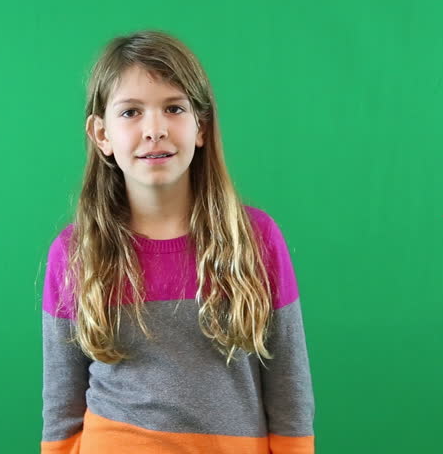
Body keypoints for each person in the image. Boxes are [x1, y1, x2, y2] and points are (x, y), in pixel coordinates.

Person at [40, 29, 314, 454]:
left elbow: (289, 390)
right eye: (131, 112)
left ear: (200, 126)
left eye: (174, 108)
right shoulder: (75, 251)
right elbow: (62, 405)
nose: (154, 129)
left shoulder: (256, 240)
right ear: (101, 135)